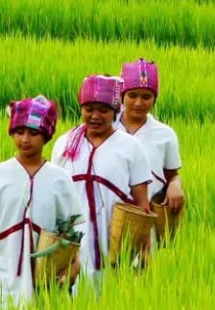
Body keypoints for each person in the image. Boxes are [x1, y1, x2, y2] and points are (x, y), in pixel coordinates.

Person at [52, 75, 151, 288]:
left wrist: (145, 249)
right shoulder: (64, 145)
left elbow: (143, 204)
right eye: (89, 109)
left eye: (103, 110)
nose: (95, 116)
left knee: (111, 304)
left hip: (115, 243)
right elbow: (54, 200)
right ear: (81, 109)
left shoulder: (131, 148)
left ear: (115, 112)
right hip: (72, 245)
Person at [0, 96, 83, 310]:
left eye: (34, 133)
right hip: (3, 267)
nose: (25, 139)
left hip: (46, 273)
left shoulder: (60, 179)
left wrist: (74, 264)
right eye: (19, 132)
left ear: (47, 136)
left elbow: (70, 232)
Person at [116, 58, 184, 228]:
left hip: (147, 216)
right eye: (132, 95)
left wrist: (175, 186)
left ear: (154, 99)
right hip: (109, 215)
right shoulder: (108, 128)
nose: (139, 103)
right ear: (122, 96)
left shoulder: (165, 135)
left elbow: (172, 174)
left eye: (147, 97)